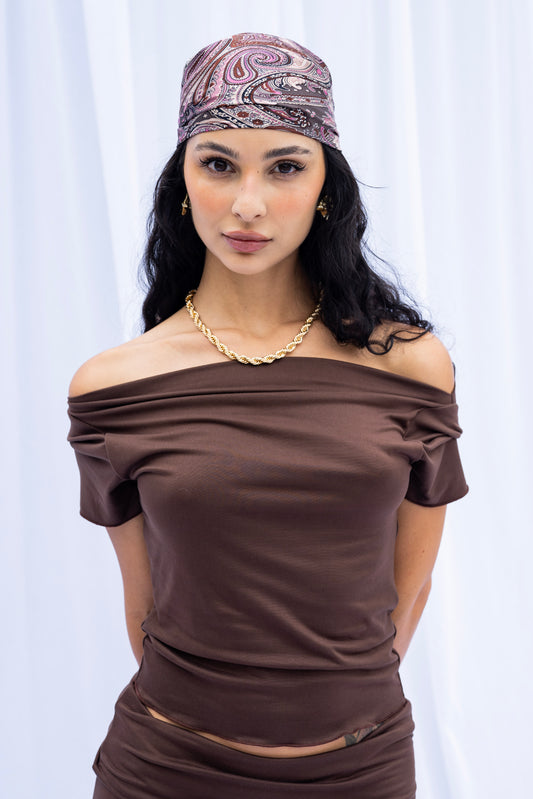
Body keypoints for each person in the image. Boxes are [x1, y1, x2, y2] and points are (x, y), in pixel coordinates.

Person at [67, 32, 468, 799]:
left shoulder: (410, 366)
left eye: (284, 166)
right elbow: (145, 609)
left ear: (325, 188)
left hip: (360, 767)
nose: (246, 204)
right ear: (182, 182)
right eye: (218, 164)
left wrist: (338, 714)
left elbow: (407, 591)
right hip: (169, 768)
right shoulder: (115, 386)